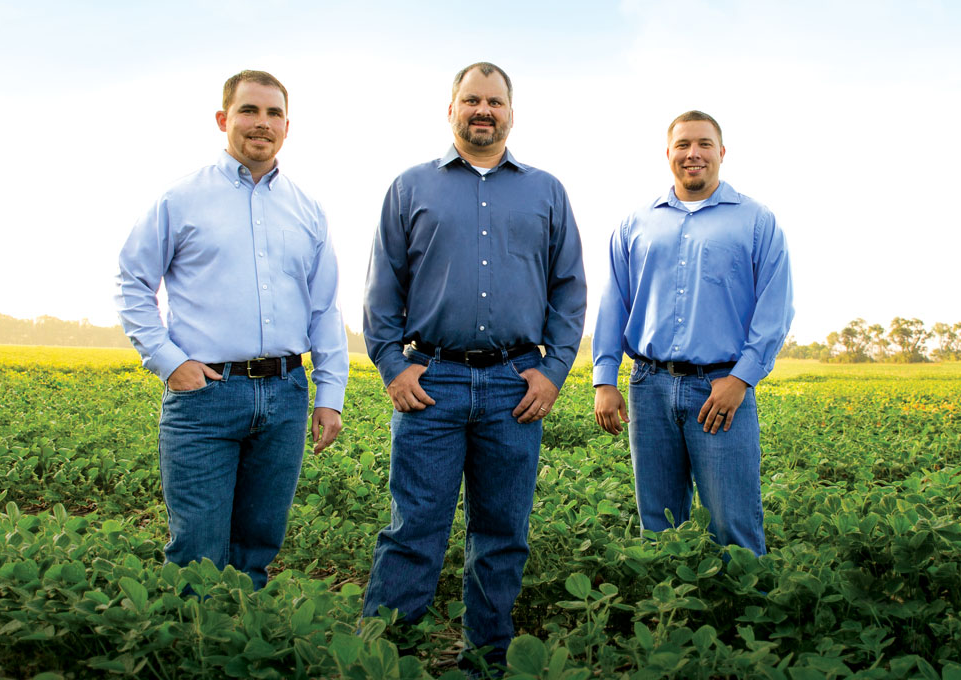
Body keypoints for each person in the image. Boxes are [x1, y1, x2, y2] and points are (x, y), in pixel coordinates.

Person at [361, 62, 586, 670]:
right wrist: (391, 366)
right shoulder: (410, 188)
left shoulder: (546, 191)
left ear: (511, 112)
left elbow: (569, 291)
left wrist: (554, 370)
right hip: (432, 383)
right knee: (413, 530)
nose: (482, 110)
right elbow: (382, 293)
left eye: (494, 101)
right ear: (451, 109)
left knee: (502, 534)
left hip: (516, 384)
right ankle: (383, 657)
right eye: (471, 100)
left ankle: (484, 661)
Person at [115, 70, 348, 589]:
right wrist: (169, 361)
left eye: (273, 113)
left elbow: (324, 309)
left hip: (286, 394)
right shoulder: (181, 199)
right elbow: (132, 282)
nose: (261, 123)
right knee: (197, 552)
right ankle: (193, 653)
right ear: (224, 119)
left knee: (257, 549)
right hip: (206, 396)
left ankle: (243, 645)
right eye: (249, 111)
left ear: (287, 126)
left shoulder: (308, 209)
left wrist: (330, 394)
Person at [592, 110, 793, 556]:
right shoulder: (635, 224)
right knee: (659, 522)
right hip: (649, 385)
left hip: (720, 387)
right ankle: (671, 616)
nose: (693, 154)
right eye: (683, 145)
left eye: (703, 144)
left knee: (733, 521)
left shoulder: (757, 221)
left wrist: (740, 379)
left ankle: (745, 617)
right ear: (668, 154)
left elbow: (775, 308)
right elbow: (613, 302)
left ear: (721, 153)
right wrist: (605, 379)